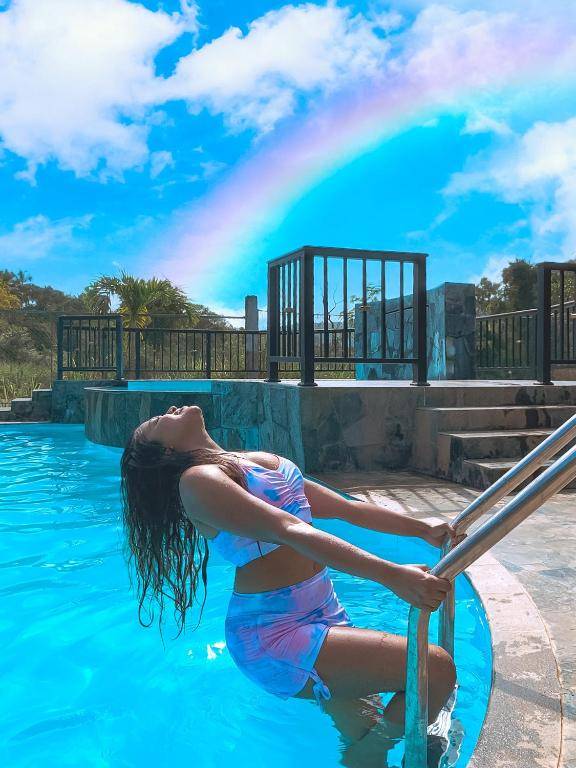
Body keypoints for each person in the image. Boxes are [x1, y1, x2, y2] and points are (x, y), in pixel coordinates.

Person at [120, 404, 464, 767]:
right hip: (273, 635)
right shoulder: (198, 481)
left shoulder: (256, 460)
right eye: (160, 420)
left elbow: (348, 509)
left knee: (364, 735)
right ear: (167, 451)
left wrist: (422, 529)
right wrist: (393, 575)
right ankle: (373, 749)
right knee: (435, 668)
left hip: (322, 611)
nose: (171, 409)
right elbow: (290, 531)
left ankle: (366, 752)